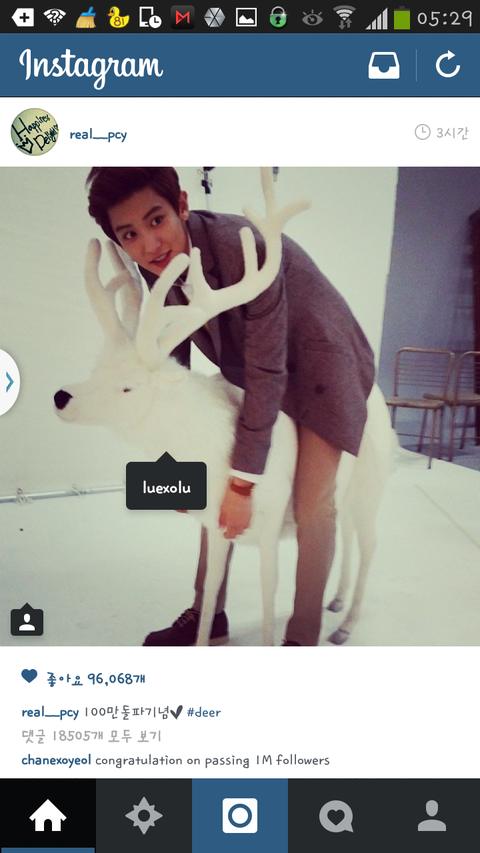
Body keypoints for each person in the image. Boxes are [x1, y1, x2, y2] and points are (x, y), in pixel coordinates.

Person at [87, 167, 375, 646]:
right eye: (130, 234)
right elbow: (170, 362)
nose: (149, 244)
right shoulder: (157, 263)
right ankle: (208, 614)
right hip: (258, 366)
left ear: (182, 204)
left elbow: (267, 372)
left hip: (324, 367)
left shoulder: (244, 248)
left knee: (313, 503)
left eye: (157, 220)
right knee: (210, 483)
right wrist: (175, 468)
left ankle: (301, 636)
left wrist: (242, 485)